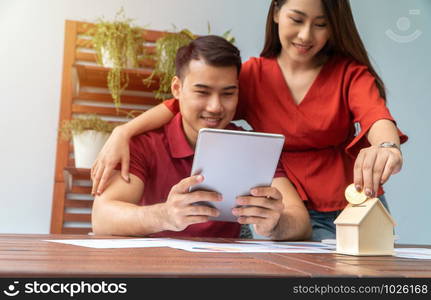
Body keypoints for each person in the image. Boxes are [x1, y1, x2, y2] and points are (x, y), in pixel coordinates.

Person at [91, 0, 407, 241]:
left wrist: (387, 146)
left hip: (346, 202)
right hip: (280, 202)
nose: (306, 35)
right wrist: (124, 130)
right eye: (296, 19)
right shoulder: (253, 75)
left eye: (321, 24)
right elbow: (184, 104)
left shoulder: (348, 74)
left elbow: (376, 115)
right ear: (276, 13)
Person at [91, 35, 312, 240]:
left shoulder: (252, 146)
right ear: (177, 88)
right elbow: (102, 217)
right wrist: (165, 215)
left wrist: (275, 224)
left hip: (224, 271)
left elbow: (301, 222)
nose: (215, 107)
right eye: (202, 92)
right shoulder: (144, 143)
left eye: (228, 93)